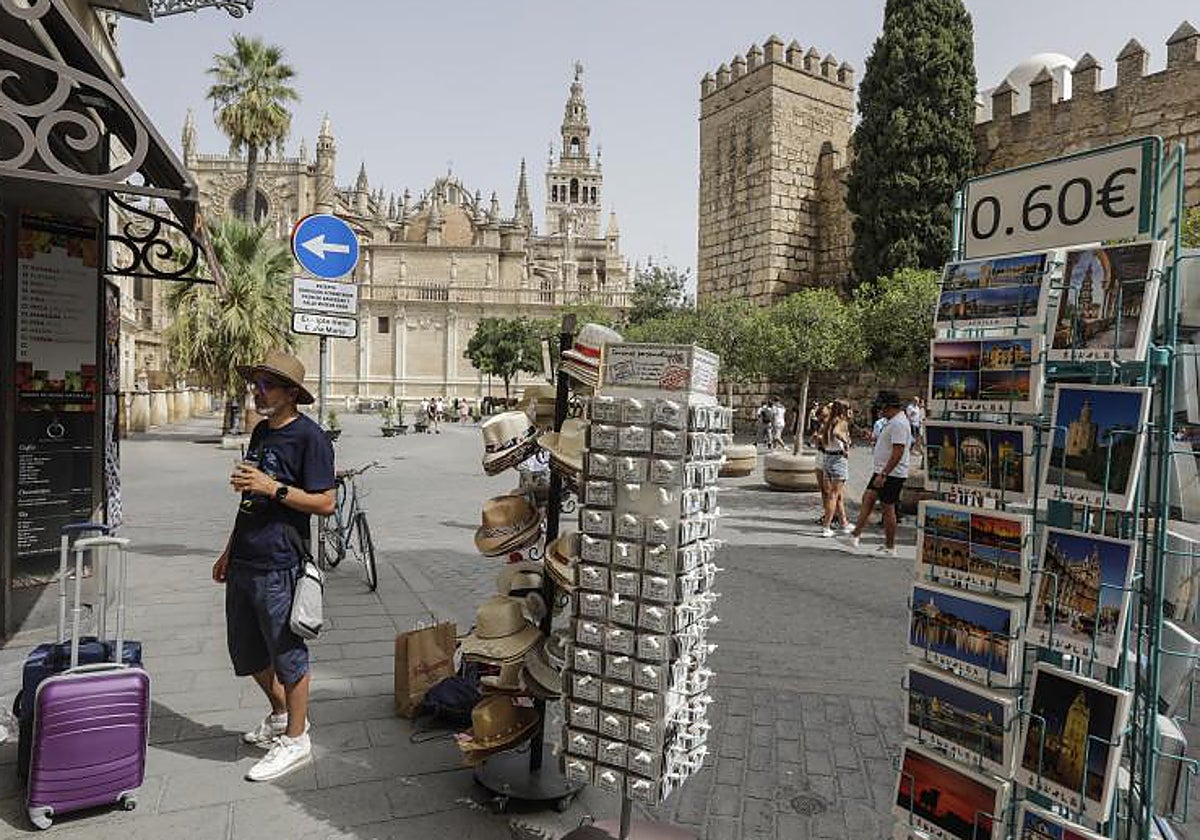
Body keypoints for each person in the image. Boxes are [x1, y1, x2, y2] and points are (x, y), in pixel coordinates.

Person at [213, 350, 335, 782]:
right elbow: (251, 498)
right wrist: (229, 549)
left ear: (290, 393)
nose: (257, 392)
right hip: (246, 555)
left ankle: (297, 739)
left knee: (287, 654)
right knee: (245, 650)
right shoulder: (262, 431)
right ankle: (281, 713)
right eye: (256, 384)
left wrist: (273, 488)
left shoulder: (310, 438)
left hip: (281, 560)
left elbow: (325, 502)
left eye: (266, 385)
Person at [844, 390, 911, 557]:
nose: (880, 411)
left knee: (888, 508)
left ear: (889, 406)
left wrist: (885, 474)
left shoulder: (898, 424)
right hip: (883, 471)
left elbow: (898, 451)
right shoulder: (892, 422)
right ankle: (855, 535)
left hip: (891, 474)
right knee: (868, 498)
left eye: (882, 407)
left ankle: (890, 547)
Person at [818, 400, 854, 537]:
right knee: (834, 495)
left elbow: (822, 438)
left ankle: (843, 523)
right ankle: (826, 526)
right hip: (838, 459)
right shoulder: (841, 422)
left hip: (827, 458)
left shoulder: (829, 421)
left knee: (837, 495)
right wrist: (846, 442)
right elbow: (836, 432)